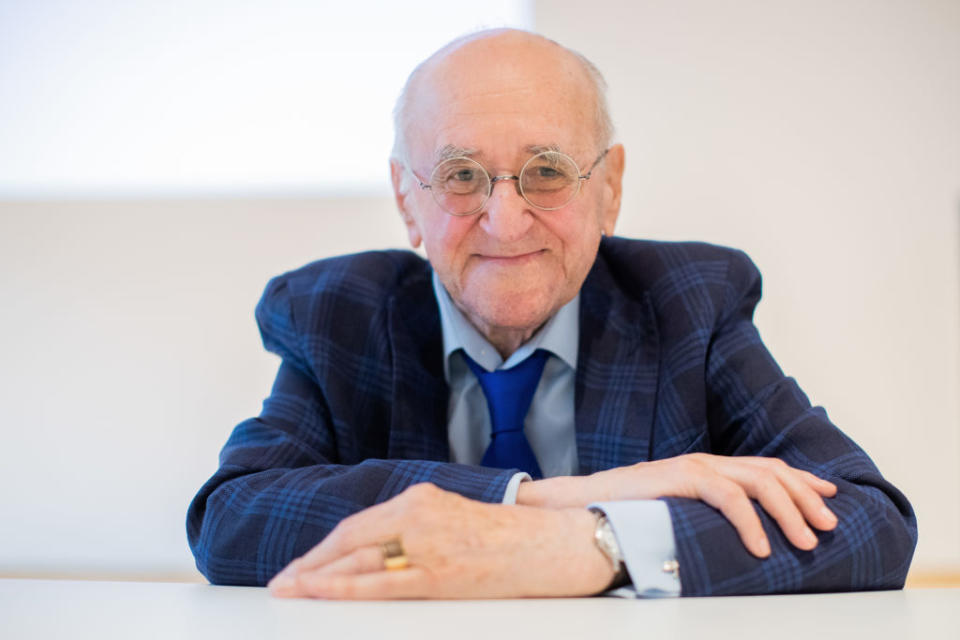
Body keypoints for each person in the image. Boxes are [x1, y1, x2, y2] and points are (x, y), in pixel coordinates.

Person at [186, 29, 917, 599]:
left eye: (546, 172)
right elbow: (234, 520)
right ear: (407, 200)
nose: (505, 221)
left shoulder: (690, 302)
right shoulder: (336, 317)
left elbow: (868, 522)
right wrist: (548, 499)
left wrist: (584, 545)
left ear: (611, 187)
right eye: (460, 176)